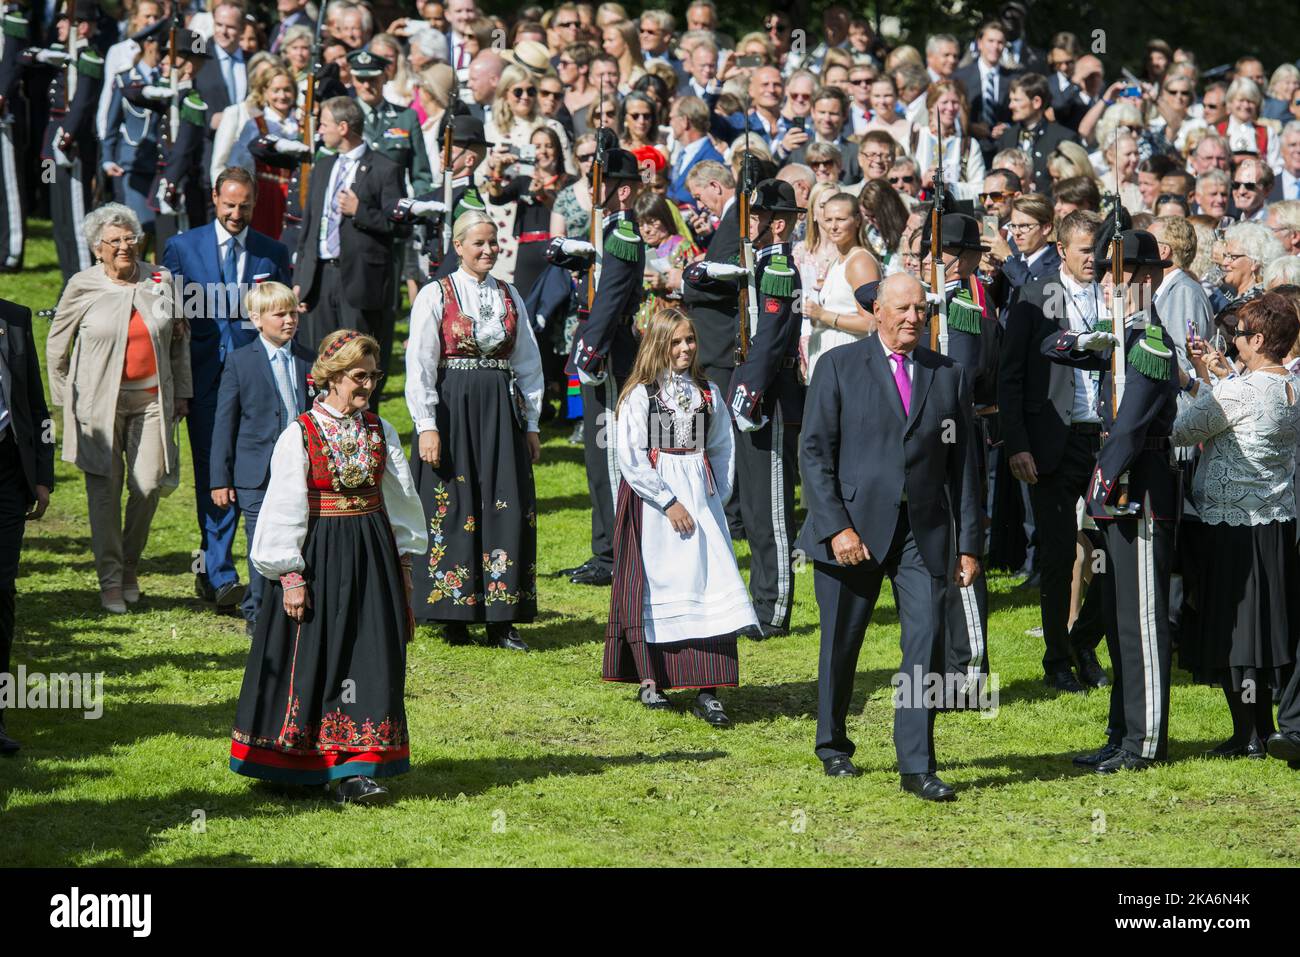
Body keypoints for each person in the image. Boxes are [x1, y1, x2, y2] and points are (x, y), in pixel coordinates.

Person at [797, 272, 981, 799]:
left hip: (922, 535)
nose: (912, 319)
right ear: (875, 311)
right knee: (841, 642)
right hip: (852, 531)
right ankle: (833, 744)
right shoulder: (838, 367)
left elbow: (966, 467)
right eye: (901, 309)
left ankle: (917, 765)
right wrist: (836, 527)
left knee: (923, 643)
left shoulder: (948, 374)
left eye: (920, 310)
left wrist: (968, 544)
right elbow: (813, 454)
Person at [230, 329, 427, 805]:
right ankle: (298, 763)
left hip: (372, 553)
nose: (368, 386)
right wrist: (290, 576)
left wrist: (402, 562)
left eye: (374, 377)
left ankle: (357, 770)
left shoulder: (381, 430)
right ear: (332, 377)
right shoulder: (299, 433)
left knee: (371, 655)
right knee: (316, 656)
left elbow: (400, 499)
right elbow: (283, 506)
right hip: (318, 555)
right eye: (359, 376)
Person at [1043, 227, 1181, 773]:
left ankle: (1146, 740)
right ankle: (1122, 732)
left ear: (1146, 277)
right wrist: (1084, 342)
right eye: (1103, 273)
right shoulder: (1121, 339)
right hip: (1117, 493)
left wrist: (1099, 482)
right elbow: (1046, 347)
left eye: (1119, 273)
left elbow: (1128, 431)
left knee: (1142, 620)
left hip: (1140, 492)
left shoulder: (1147, 341)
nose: (1108, 282)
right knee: (1121, 615)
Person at [604, 307, 753, 721]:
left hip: (699, 499)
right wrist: (667, 501)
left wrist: (715, 496)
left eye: (689, 340)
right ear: (659, 345)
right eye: (676, 341)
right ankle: (653, 679)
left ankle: (709, 686)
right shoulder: (643, 394)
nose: (685, 348)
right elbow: (630, 456)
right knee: (657, 582)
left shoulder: (707, 392)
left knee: (708, 579)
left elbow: (723, 444)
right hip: (654, 502)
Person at [405, 211, 544, 649]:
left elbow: (528, 362)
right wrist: (427, 425)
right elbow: (421, 365)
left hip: (500, 411)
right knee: (452, 502)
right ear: (458, 246)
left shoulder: (509, 295)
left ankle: (503, 615)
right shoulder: (436, 294)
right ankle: (453, 611)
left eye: (493, 242)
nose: (488, 250)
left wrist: (533, 423)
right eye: (479, 243)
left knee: (505, 500)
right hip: (452, 407)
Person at [46, 203, 192, 615]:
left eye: (131, 239)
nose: (125, 246)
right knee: (104, 495)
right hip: (98, 408)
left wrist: (182, 391)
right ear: (98, 249)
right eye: (115, 241)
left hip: (150, 401)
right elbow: (57, 345)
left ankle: (129, 566)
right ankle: (110, 581)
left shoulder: (161, 280)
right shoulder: (82, 285)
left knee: (147, 486)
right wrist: (64, 402)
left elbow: (180, 340)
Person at [1174, 294, 1300, 759]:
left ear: (1260, 340)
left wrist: (1203, 381)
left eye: (1239, 334)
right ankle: (1265, 728)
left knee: (1236, 630)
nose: (1233, 340)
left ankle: (1247, 733)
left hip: (1232, 524)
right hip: (1276, 520)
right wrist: (1219, 374)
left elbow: (1186, 430)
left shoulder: (1239, 392)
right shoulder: (1291, 386)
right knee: (1266, 628)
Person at [163, 166, 292, 611]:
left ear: (255, 204)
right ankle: (218, 575)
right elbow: (170, 321)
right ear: (214, 199)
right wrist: (178, 385)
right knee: (213, 472)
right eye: (229, 204)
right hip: (203, 379)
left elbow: (280, 316)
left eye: (245, 206)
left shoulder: (271, 253)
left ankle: (250, 569)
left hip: (256, 380)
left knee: (253, 469)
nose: (236, 213)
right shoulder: (182, 247)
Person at [686, 179, 806, 638]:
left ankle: (773, 609)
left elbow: (773, 336)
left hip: (767, 398)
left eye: (755, 217)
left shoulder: (778, 268)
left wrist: (747, 390)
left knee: (770, 505)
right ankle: (757, 601)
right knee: (752, 507)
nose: (747, 225)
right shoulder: (755, 262)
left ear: (776, 224)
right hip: (749, 394)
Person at [999, 210, 1105, 693]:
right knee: (1060, 554)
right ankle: (1058, 658)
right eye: (1085, 250)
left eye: (1098, 249)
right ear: (1061, 250)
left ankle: (1085, 640)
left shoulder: (1116, 293)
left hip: (1105, 439)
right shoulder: (1035, 295)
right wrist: (1017, 444)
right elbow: (1011, 374)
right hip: (1052, 441)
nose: (1094, 258)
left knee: (1114, 555)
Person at [546, 146, 647, 586]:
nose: (592, 189)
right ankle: (603, 549)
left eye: (600, 183)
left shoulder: (622, 234)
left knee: (608, 456)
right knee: (594, 453)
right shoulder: (606, 230)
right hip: (597, 345)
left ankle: (616, 555)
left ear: (622, 192)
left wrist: (591, 350)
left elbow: (609, 300)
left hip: (608, 350)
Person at [209, 282, 314, 636]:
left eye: (292, 312)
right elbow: (225, 421)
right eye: (279, 314)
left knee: (300, 533)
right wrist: (219, 478)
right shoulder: (241, 362)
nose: (289, 320)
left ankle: (299, 599)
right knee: (261, 540)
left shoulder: (307, 359)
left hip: (301, 467)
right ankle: (257, 610)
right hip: (256, 471)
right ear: (256, 319)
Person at [294, 96, 408, 353]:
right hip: (319, 278)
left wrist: (361, 212)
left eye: (324, 124)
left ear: (343, 127)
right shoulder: (322, 168)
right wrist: (301, 278)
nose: (319, 130)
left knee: (356, 355)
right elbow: (309, 229)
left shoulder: (384, 169)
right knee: (320, 356)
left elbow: (402, 227)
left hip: (360, 281)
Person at [0, 296, 55, 753]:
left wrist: (42, 477)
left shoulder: (14, 320)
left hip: (7, 472)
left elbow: (36, 406)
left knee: (1, 591)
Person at [484, 124, 572, 296]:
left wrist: (543, 195)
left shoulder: (568, 181)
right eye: (537, 146)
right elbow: (496, 197)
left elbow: (563, 210)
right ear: (530, 150)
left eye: (549, 145)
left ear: (558, 150)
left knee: (554, 304)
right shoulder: (523, 180)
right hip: (526, 252)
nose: (543, 151)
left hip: (554, 249)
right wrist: (498, 171)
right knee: (523, 304)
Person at [801, 193, 879, 381]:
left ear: (857, 220)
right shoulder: (835, 262)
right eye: (828, 219)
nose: (833, 226)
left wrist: (822, 315)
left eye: (841, 219)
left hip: (850, 363)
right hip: (826, 360)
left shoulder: (860, 262)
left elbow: (871, 323)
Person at [911, 80, 986, 202]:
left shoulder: (968, 145)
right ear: (931, 106)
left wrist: (948, 186)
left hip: (954, 213)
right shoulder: (915, 138)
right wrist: (921, 182)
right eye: (944, 102)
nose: (950, 108)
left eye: (955, 102)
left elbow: (980, 189)